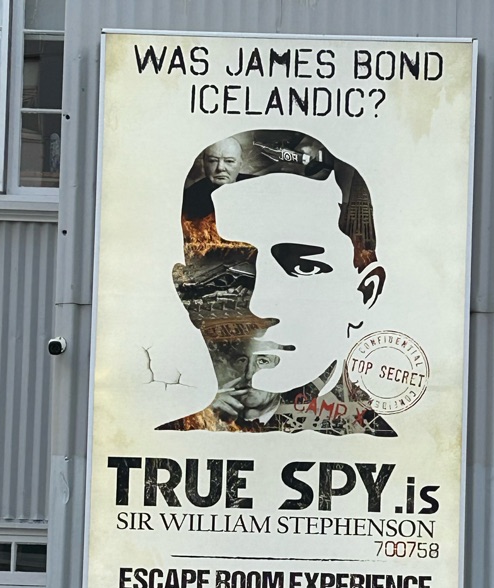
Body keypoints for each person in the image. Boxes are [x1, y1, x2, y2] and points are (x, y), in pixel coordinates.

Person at [160, 130, 394, 436]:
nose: (259, 306)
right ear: (188, 293)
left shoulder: (386, 447)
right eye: (229, 274)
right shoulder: (165, 443)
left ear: (364, 293)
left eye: (305, 267)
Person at [181, 136, 249, 221]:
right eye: (213, 161)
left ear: (240, 164)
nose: (220, 168)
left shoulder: (255, 187)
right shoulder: (189, 198)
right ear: (204, 164)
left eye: (229, 161)